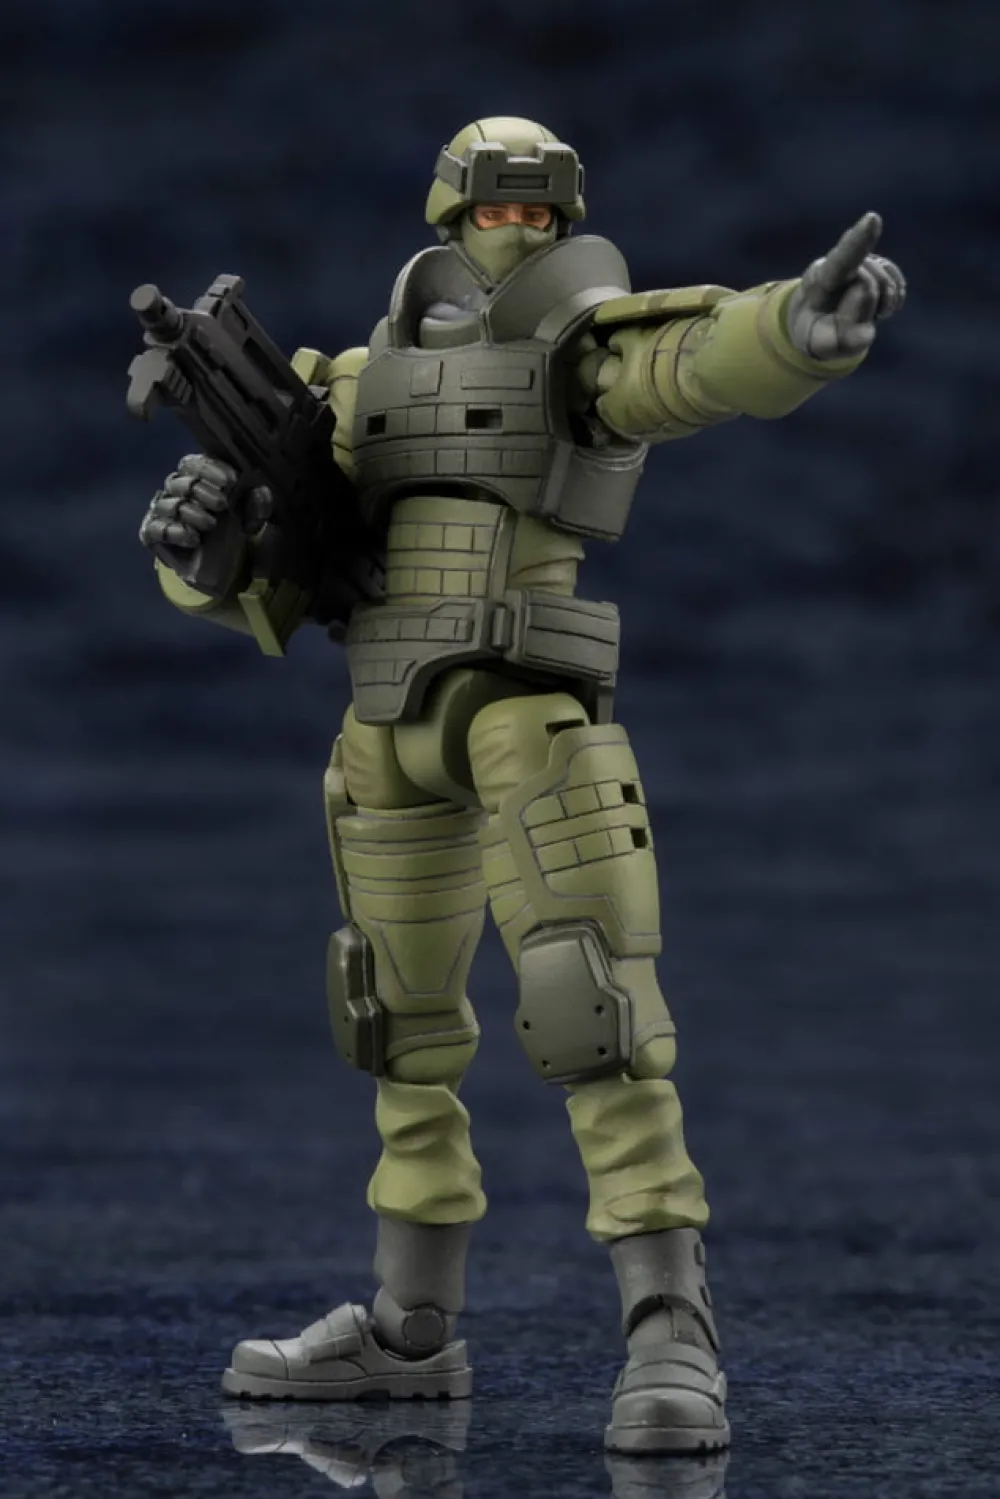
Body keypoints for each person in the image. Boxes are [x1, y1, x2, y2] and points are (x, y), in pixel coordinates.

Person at [139, 116, 906, 1455]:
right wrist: (201, 553)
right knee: (396, 1027)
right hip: (384, 721)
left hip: (523, 713)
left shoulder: (576, 354)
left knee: (591, 1010)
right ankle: (410, 1330)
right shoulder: (350, 385)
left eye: (539, 213)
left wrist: (796, 329)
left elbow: (686, 360)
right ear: (450, 219)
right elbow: (261, 563)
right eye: (495, 210)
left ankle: (669, 1326)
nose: (516, 232)